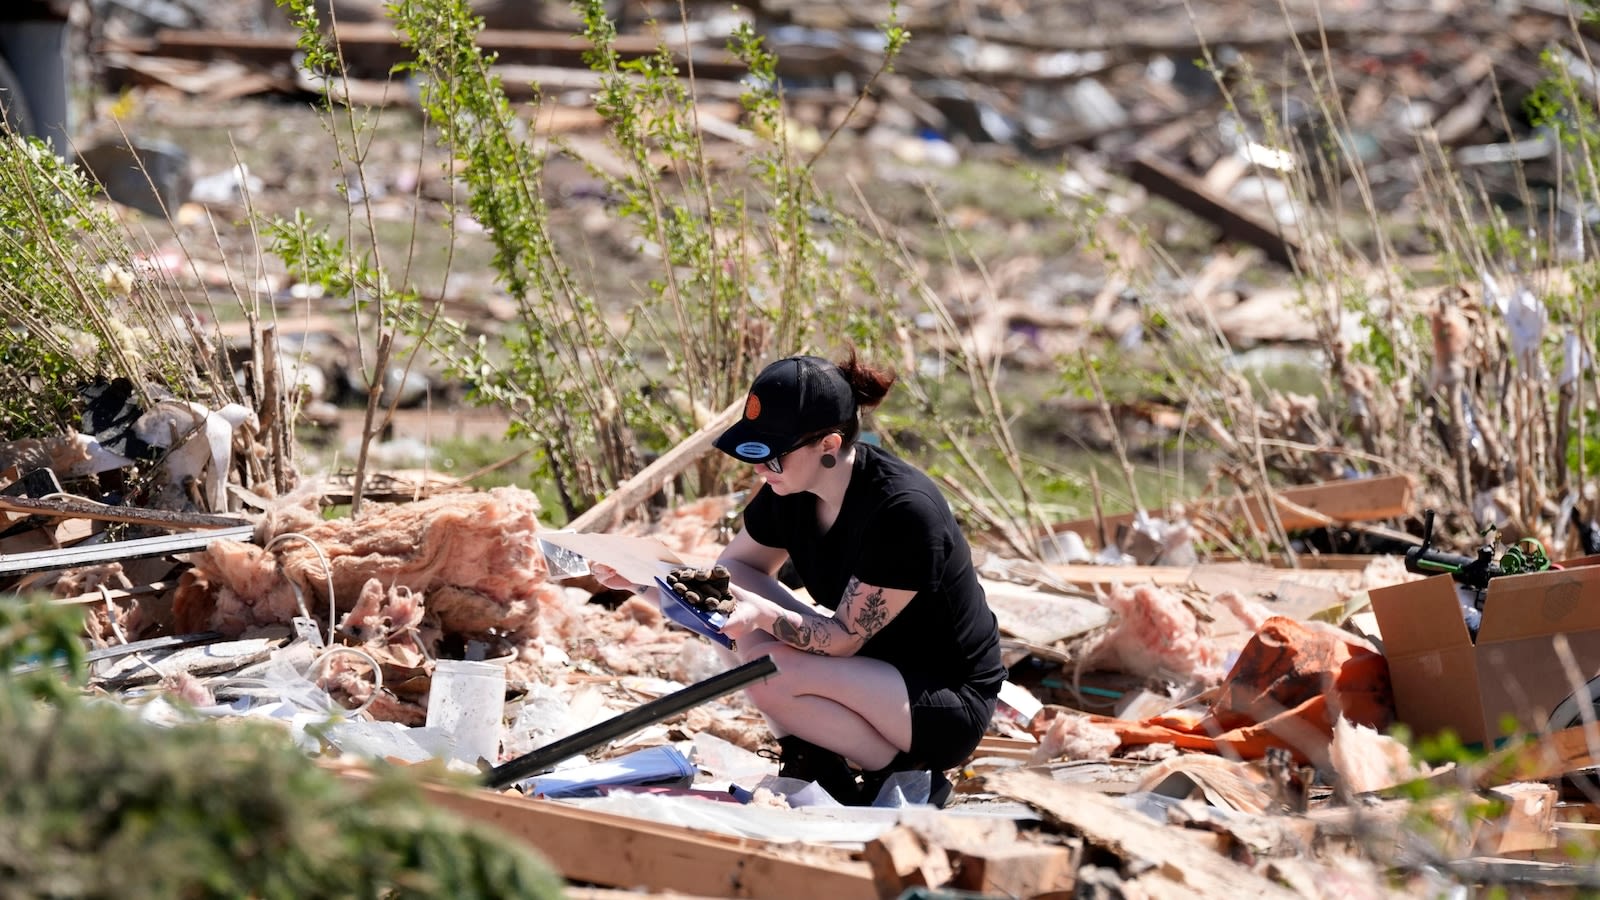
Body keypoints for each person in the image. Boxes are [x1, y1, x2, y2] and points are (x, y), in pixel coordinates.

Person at [704, 352, 1006, 806]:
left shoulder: (903, 512)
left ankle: (894, 771)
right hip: (866, 665)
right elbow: (733, 574)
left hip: (941, 699)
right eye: (751, 452)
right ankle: (813, 756)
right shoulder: (790, 489)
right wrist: (648, 580)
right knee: (734, 627)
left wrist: (760, 613)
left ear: (828, 445)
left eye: (771, 455)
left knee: (769, 671)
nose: (760, 469)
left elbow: (842, 638)